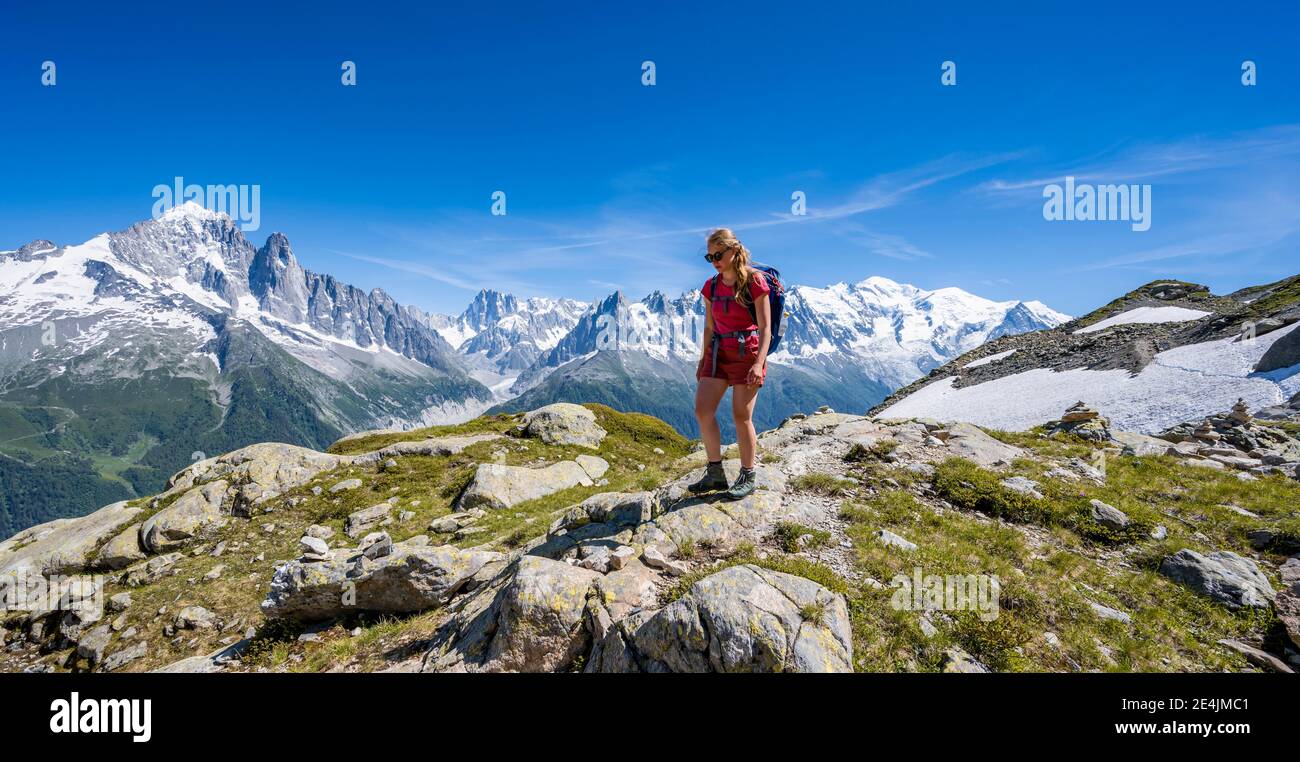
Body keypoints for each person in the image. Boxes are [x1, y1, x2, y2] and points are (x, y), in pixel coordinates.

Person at [689, 228, 771, 500]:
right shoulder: (711, 286)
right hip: (718, 352)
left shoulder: (755, 281)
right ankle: (715, 473)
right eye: (709, 256)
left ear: (733, 250)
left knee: (741, 415)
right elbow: (709, 328)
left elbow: (765, 327)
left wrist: (759, 364)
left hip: (747, 352)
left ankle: (748, 474)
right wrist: (703, 360)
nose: (713, 260)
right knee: (702, 410)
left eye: (718, 254)